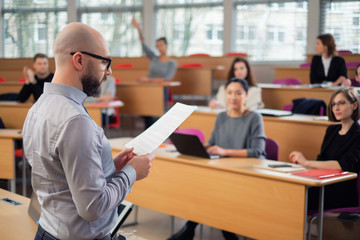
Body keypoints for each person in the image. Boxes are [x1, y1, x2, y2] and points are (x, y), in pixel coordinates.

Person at [22, 22, 154, 240]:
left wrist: (110, 166)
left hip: (47, 230)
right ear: (79, 60)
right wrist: (131, 173)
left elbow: (61, 176)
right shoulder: (75, 121)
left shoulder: (37, 108)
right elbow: (93, 207)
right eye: (105, 62)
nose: (109, 71)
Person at [168, 78, 266, 240]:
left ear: (246, 95)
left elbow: (257, 151)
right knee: (204, 188)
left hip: (247, 173)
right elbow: (212, 143)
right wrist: (199, 146)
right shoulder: (221, 117)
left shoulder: (255, 118)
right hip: (224, 171)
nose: (233, 97)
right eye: (229, 93)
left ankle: (189, 229)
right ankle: (199, 230)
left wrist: (224, 150)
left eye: (238, 93)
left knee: (216, 193)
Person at [289, 87, 360, 210]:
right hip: (323, 183)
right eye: (333, 104)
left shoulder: (358, 134)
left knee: (298, 197)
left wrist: (306, 162)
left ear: (354, 105)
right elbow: (321, 159)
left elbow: (343, 165)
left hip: (341, 189)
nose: (336, 108)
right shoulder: (331, 130)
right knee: (292, 189)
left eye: (341, 103)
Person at [131, 17, 178, 128]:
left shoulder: (172, 63)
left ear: (166, 45)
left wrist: (148, 79)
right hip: (148, 89)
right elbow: (143, 43)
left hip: (161, 91)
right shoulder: (154, 58)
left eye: (161, 45)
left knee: (152, 112)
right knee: (144, 110)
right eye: (157, 46)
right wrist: (138, 28)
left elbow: (166, 79)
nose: (159, 48)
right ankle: (148, 132)